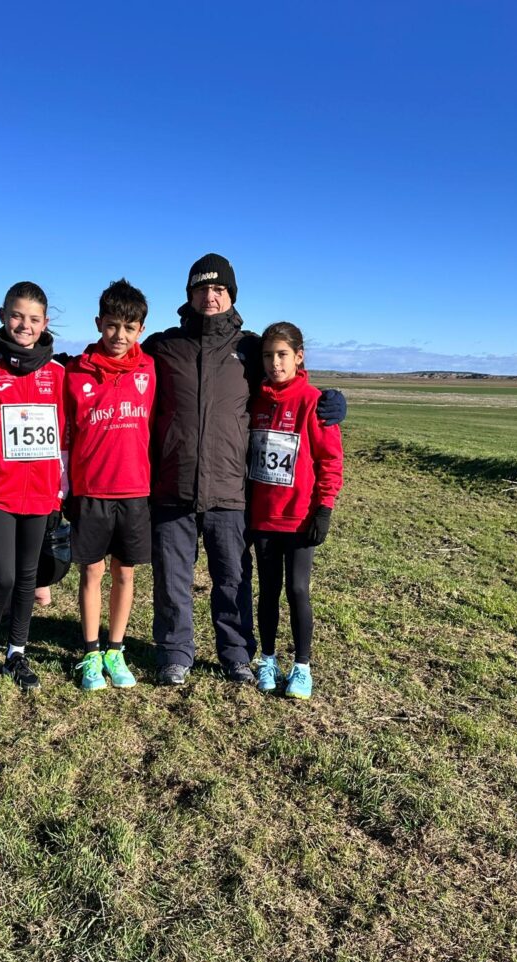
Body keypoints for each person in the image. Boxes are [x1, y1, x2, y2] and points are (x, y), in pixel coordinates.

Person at [143, 253, 346, 686]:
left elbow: (285, 381)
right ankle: (175, 653)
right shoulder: (164, 346)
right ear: (189, 294)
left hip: (231, 489)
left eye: (219, 289)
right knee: (173, 579)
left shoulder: (249, 348)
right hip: (172, 485)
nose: (210, 296)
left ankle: (236, 654)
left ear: (231, 294)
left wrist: (329, 398)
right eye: (202, 288)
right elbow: (118, 364)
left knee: (233, 578)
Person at [0, 280, 66, 707]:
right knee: (0, 577)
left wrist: (58, 497)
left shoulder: (56, 373)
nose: (25, 325)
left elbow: (63, 442)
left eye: (33, 319)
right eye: (17, 316)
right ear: (3, 315)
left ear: (45, 323)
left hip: (40, 498)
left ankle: (15, 654)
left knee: (27, 579)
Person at [64, 279, 155, 691]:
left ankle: (116, 650)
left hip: (134, 492)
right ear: (99, 323)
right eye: (112, 326)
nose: (120, 336)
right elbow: (66, 434)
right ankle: (90, 653)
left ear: (141, 330)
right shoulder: (76, 371)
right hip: (91, 492)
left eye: (130, 327)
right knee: (92, 573)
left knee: (125, 574)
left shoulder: (150, 369)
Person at [249, 322, 343, 699]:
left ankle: (302, 666)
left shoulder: (313, 401)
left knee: (298, 589)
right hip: (263, 516)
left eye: (283, 355)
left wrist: (324, 508)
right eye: (269, 356)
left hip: (300, 518)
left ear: (299, 356)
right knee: (268, 591)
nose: (275, 363)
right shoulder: (255, 401)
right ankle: (268, 659)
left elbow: (330, 460)